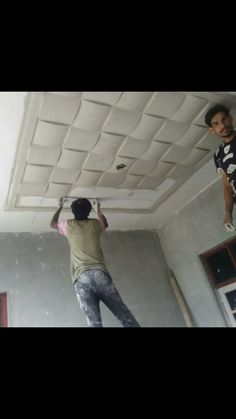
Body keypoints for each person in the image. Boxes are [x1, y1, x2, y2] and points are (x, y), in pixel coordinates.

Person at [50, 197, 140, 327]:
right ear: (88, 212)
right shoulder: (95, 224)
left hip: (81, 278)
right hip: (100, 275)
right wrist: (98, 209)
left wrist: (59, 207)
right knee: (123, 313)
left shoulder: (68, 225)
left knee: (94, 323)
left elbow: (53, 223)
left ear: (73, 212)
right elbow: (105, 223)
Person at [205, 104, 236, 231]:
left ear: (231, 118)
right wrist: (228, 213)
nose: (222, 125)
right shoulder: (218, 155)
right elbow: (227, 185)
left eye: (224, 119)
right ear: (212, 130)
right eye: (216, 123)